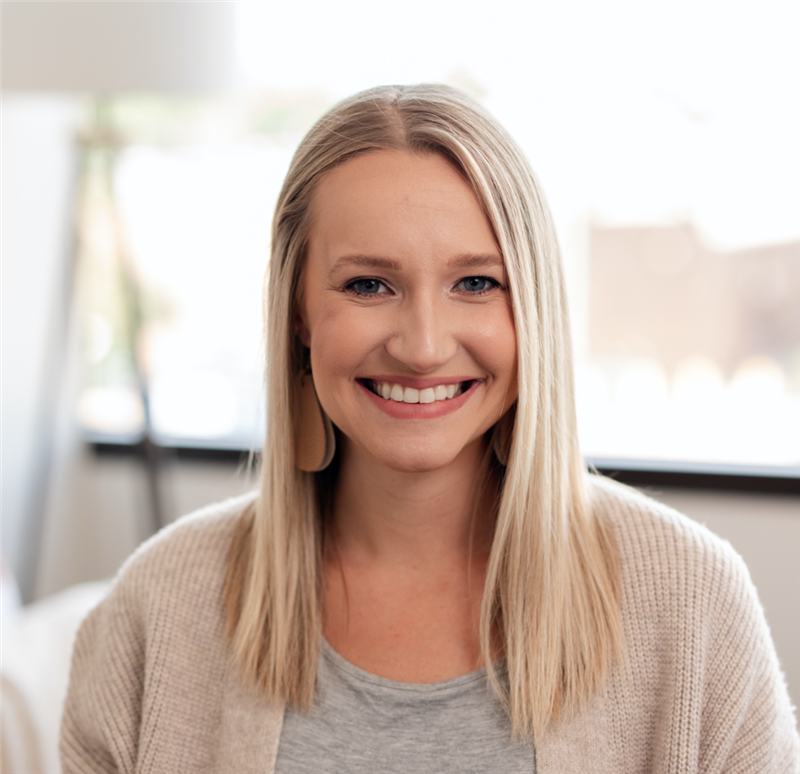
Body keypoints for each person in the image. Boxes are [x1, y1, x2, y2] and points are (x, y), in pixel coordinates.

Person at [60, 84, 799, 773]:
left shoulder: (692, 603)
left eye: (475, 283)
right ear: (298, 313)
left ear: (532, 309)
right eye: (368, 284)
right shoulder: (158, 606)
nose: (422, 346)